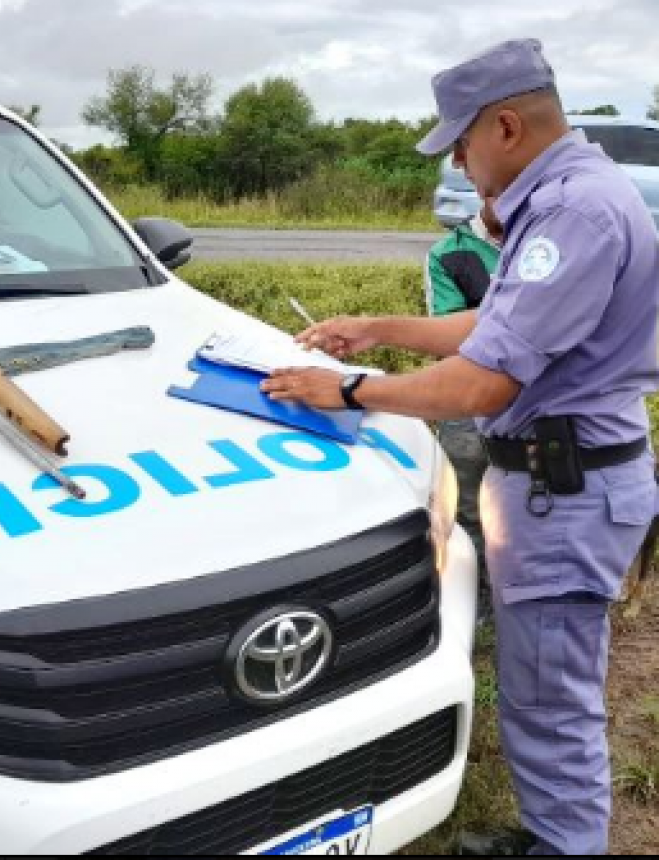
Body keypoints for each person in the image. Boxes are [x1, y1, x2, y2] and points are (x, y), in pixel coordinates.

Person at [260, 38, 659, 856]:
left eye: (462, 144)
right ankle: (552, 833)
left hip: (563, 486)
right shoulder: (565, 192)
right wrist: (379, 328)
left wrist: (348, 388)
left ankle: (563, 846)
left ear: (505, 126)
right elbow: (501, 323)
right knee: (541, 685)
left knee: (551, 696)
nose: (462, 163)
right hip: (562, 478)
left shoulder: (571, 212)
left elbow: (482, 384)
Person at [426, 196, 503, 624]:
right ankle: (470, 605)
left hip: (526, 403)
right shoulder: (448, 253)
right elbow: (450, 335)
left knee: (519, 505)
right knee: (466, 505)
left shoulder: (543, 240)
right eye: (497, 194)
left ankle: (505, 598)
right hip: (466, 401)